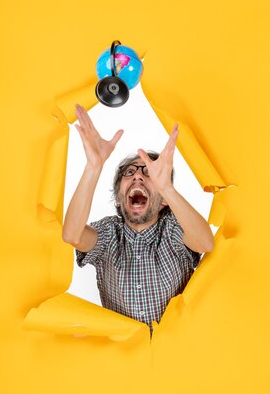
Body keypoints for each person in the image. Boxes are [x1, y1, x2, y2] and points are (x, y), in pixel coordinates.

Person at [62, 104, 214, 330]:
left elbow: (205, 242)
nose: (138, 177)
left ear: (163, 202)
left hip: (179, 352)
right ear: (118, 198)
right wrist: (93, 167)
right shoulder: (108, 234)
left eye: (149, 173)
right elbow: (72, 234)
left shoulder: (172, 228)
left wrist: (167, 188)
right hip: (126, 358)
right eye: (130, 173)